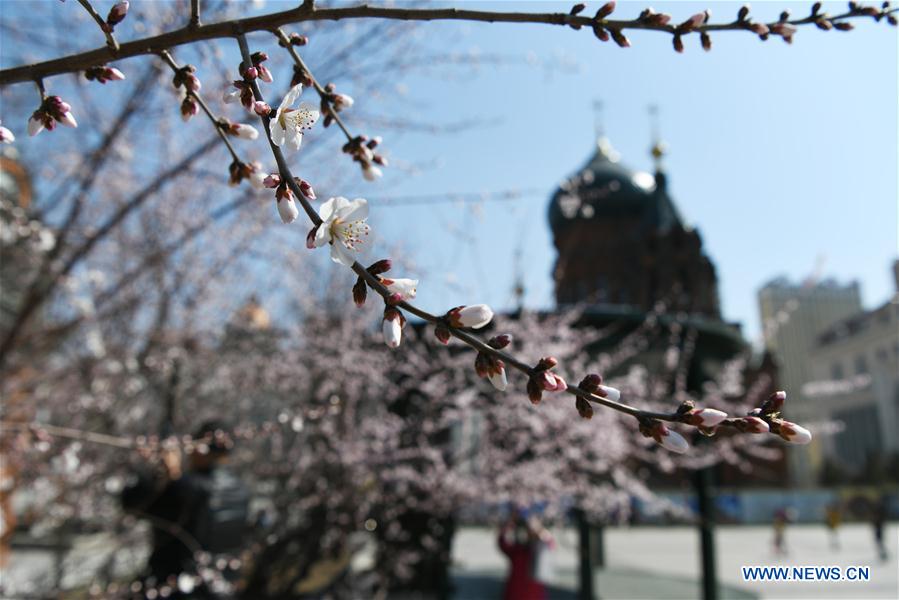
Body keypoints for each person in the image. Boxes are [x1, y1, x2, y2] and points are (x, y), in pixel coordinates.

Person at [122, 420, 250, 598]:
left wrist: (162, 473)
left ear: (200, 447)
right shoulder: (240, 490)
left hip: (178, 587)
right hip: (220, 587)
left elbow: (130, 503)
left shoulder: (187, 489)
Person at [497, 509, 553, 600]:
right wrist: (509, 526)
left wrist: (538, 529)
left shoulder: (538, 548)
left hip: (532, 594)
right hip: (517, 593)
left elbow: (549, 544)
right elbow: (502, 543)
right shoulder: (517, 551)